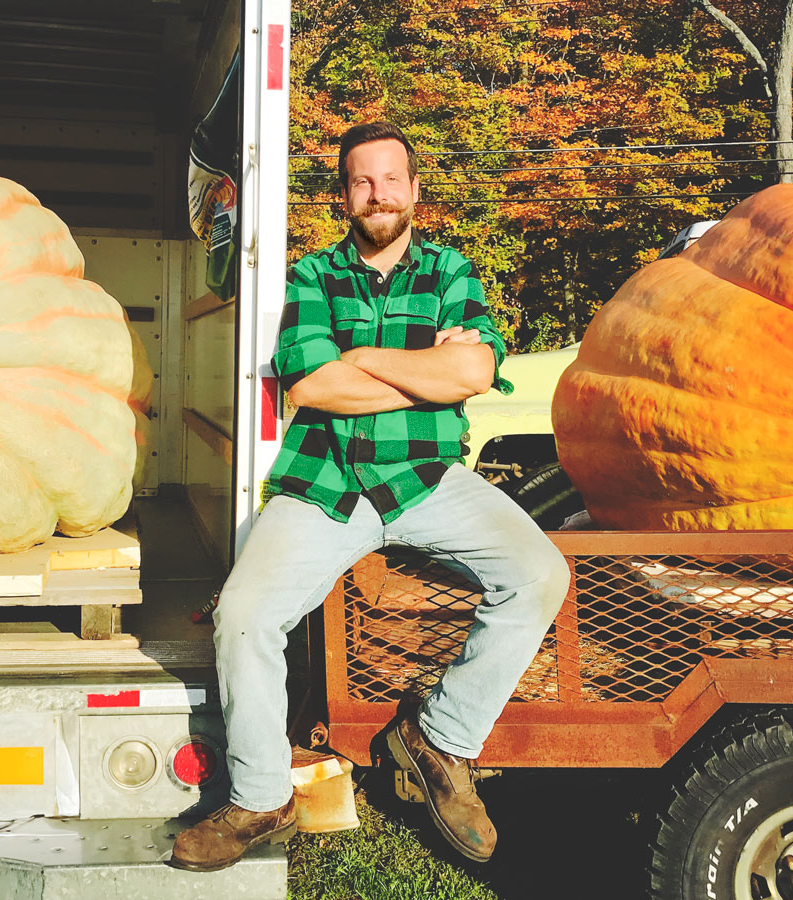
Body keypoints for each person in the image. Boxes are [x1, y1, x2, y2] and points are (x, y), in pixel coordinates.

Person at [170, 122, 570, 872]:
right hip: (325, 480)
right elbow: (313, 384)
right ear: (343, 195)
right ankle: (261, 796)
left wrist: (363, 358)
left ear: (415, 190)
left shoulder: (451, 270)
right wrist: (421, 367)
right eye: (362, 181)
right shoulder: (311, 277)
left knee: (541, 572)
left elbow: (474, 374)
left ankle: (440, 741)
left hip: (426, 477)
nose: (378, 193)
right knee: (244, 618)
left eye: (391, 179)